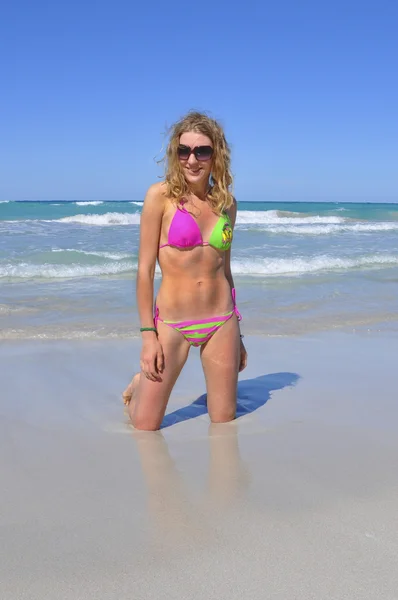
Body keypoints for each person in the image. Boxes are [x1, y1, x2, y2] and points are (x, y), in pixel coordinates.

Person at [122, 111, 247, 430]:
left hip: (221, 321)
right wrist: (148, 336)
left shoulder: (227, 203)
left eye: (202, 150)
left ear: (216, 154)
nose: (192, 159)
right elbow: (145, 271)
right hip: (173, 324)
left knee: (224, 421)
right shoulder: (159, 197)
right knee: (145, 426)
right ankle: (139, 385)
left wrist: (239, 335)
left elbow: (225, 269)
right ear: (175, 154)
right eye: (184, 150)